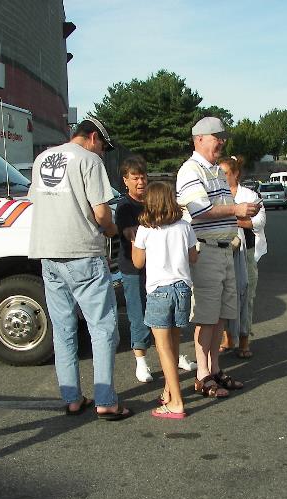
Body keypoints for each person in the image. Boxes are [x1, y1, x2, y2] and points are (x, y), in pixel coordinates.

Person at [28, 116, 131, 421]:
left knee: (62, 330)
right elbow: (101, 213)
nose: (103, 153)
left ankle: (72, 398)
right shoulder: (89, 161)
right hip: (82, 252)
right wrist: (113, 229)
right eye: (103, 146)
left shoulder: (42, 158)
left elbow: (38, 202)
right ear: (92, 137)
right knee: (101, 328)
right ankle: (106, 400)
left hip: (48, 254)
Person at [176, 117, 259, 398]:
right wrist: (237, 210)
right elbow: (199, 211)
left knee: (221, 315)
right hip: (207, 250)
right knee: (207, 317)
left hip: (225, 250)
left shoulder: (216, 171)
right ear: (198, 139)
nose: (221, 142)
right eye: (216, 136)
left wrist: (241, 211)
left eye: (223, 137)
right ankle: (202, 375)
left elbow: (220, 209)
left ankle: (214, 369)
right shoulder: (190, 170)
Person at [114, 155, 198, 383]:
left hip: (163, 272)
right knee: (138, 315)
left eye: (143, 177)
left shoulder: (152, 202)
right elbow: (131, 235)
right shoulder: (124, 206)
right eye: (135, 178)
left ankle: (177, 354)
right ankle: (141, 362)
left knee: (173, 319)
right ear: (126, 180)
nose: (141, 182)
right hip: (135, 270)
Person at [132, 182, 198, 419]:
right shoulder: (184, 226)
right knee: (175, 341)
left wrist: (133, 244)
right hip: (182, 289)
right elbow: (193, 258)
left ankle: (176, 402)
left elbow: (138, 262)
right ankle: (169, 390)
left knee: (162, 348)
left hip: (159, 291)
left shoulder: (145, 229)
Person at [217, 156, 267, 359]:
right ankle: (228, 337)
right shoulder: (215, 195)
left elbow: (259, 222)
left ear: (236, 174)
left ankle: (244, 340)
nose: (221, 177)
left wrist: (230, 218)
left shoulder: (250, 195)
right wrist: (240, 217)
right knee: (223, 296)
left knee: (246, 297)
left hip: (246, 253)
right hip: (221, 251)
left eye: (225, 173)